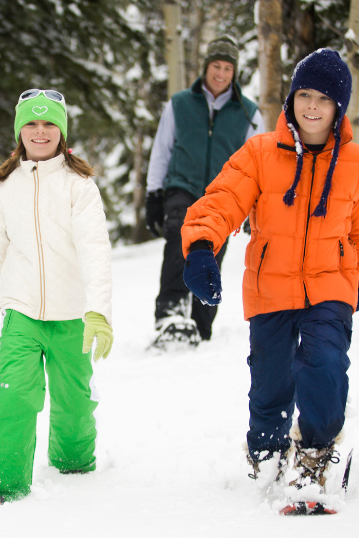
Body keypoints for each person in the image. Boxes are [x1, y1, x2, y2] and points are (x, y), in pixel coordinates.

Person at [180, 49, 359, 502]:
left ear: (339, 108)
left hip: (331, 283)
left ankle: (315, 452)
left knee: (325, 364)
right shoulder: (259, 153)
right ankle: (267, 449)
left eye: (324, 99)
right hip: (271, 285)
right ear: (292, 98)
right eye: (304, 95)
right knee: (270, 382)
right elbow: (222, 200)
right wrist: (200, 246)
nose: (312, 107)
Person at [0, 89, 113, 504]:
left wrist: (98, 313)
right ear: (20, 130)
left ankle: (73, 462)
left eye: (49, 123)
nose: (41, 131)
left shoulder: (79, 185)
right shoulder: (4, 187)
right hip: (20, 313)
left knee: (74, 403)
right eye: (32, 124)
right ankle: (3, 483)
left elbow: (95, 248)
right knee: (14, 395)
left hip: (72, 315)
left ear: (61, 131)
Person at [145, 36, 264, 347]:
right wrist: (153, 193)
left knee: (212, 250)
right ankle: (169, 315)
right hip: (181, 186)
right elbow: (162, 149)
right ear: (206, 67)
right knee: (177, 239)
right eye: (216, 66)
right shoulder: (180, 103)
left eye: (228, 68)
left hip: (223, 195)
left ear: (234, 72)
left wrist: (255, 206)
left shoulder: (249, 113)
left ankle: (200, 322)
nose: (221, 73)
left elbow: (260, 164)